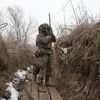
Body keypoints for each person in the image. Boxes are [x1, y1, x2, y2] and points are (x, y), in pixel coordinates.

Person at [35, 23, 56, 87]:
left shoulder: (48, 35)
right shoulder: (39, 35)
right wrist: (49, 36)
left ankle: (47, 82)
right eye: (46, 28)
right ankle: (39, 83)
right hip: (42, 54)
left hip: (48, 53)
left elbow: (54, 40)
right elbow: (45, 41)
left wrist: (51, 33)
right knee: (43, 68)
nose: (46, 29)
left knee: (49, 69)